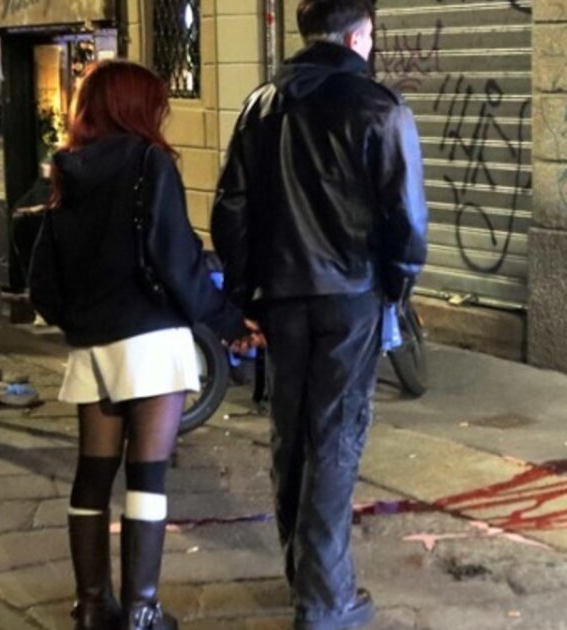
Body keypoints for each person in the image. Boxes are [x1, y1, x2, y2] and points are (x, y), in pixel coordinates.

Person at [210, 1, 428, 628]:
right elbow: (407, 218)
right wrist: (396, 286)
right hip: (351, 294)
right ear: (358, 38)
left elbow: (231, 208)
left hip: (281, 295)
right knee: (334, 436)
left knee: (291, 432)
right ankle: (324, 599)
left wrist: (244, 292)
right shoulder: (378, 107)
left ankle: (303, 574)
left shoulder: (261, 106)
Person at [29, 60, 257, 630]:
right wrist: (228, 320)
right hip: (151, 341)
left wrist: (81, 322)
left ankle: (91, 606)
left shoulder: (65, 170)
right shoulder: (149, 163)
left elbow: (42, 282)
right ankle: (141, 610)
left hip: (93, 348)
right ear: (137, 108)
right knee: (147, 473)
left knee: (92, 473)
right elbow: (176, 260)